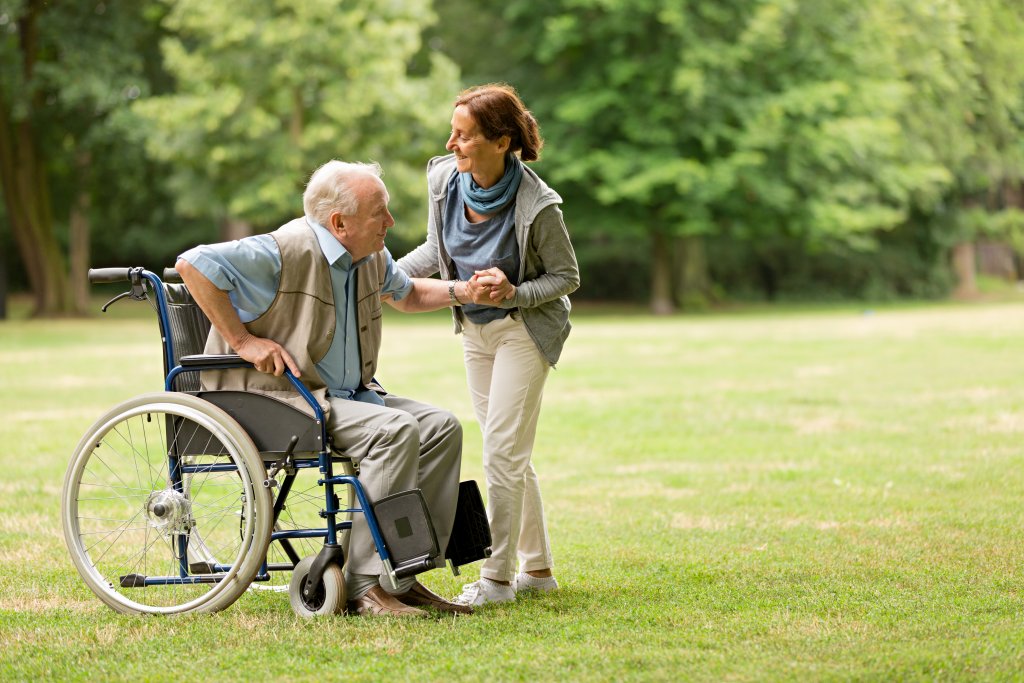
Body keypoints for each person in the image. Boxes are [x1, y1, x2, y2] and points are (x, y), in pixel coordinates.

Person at [176, 160, 472, 618]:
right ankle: (363, 585)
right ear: (339, 223)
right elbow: (193, 264)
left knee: (440, 426)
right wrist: (244, 341)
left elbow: (408, 294)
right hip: (277, 397)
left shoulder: (369, 256)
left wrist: (465, 292)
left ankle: (401, 575)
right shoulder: (284, 249)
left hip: (342, 397)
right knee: (394, 430)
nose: (390, 223)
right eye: (381, 213)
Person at [397, 84, 580, 606]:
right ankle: (538, 570)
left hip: (524, 330)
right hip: (474, 332)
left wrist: (515, 292)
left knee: (501, 450)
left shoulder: (538, 205)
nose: (451, 144)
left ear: (501, 142)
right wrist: (378, 273)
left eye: (463, 136)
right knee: (511, 453)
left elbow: (567, 277)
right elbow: (435, 251)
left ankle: (497, 579)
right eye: (452, 132)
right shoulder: (443, 181)